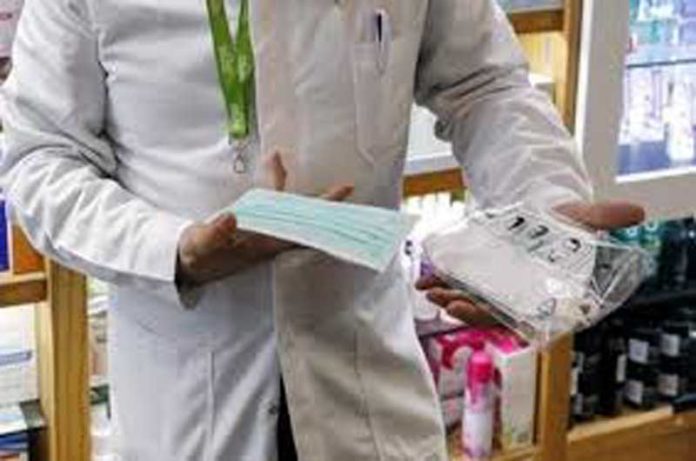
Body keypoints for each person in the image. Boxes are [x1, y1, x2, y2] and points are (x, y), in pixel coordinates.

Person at [0, 0, 643, 460]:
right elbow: (40, 158)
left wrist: (539, 214)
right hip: (185, 411)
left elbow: (483, 84)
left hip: (367, 394)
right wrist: (175, 250)